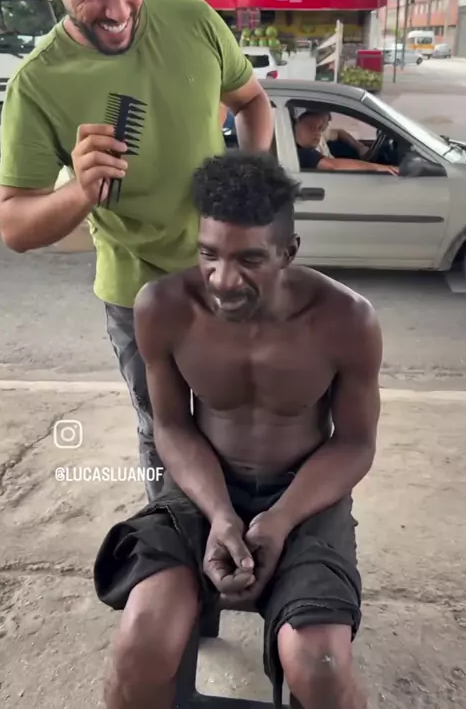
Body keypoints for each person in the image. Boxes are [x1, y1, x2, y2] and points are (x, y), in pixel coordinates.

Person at [0, 0, 273, 500]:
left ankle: (238, 531)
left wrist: (250, 183)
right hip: (138, 297)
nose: (119, 10)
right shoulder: (37, 85)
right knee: (164, 434)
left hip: (227, 274)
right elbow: (14, 225)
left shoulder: (194, 21)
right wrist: (80, 192)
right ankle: (173, 543)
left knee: (241, 424)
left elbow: (252, 101)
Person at [93, 151, 382, 709]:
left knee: (319, 667)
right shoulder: (163, 307)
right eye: (209, 254)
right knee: (141, 647)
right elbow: (171, 426)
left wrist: (280, 519)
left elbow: (354, 443)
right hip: (200, 491)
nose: (223, 279)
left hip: (304, 497)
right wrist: (221, 513)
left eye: (249, 259)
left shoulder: (346, 320)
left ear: (288, 252)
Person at [295, 110, 398, 174]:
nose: (317, 133)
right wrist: (383, 168)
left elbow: (339, 133)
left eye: (320, 128)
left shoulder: (319, 137)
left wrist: (360, 147)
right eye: (311, 127)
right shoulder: (302, 154)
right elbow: (333, 166)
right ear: (295, 128)